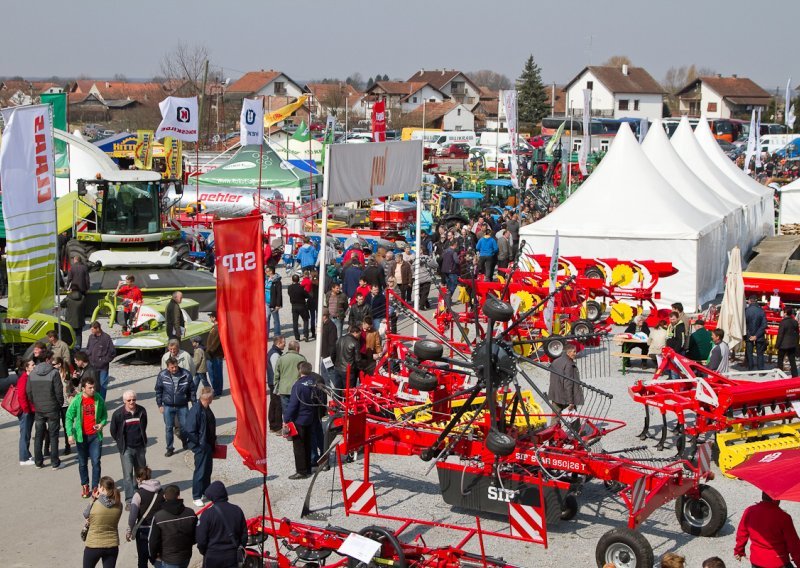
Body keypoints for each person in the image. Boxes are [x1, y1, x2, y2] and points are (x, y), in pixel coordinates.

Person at [66, 375, 107, 497]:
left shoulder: (98, 399)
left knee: (96, 462)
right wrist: (69, 435)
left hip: (95, 436)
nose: (93, 390)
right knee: (83, 463)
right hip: (81, 437)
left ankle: (95, 487)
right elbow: (68, 418)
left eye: (94, 387)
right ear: (83, 388)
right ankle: (85, 485)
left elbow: (104, 415)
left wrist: (101, 424)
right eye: (90, 388)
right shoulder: (77, 401)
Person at [735, 491, 800, 567]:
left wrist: (739, 550)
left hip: (756, 560)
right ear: (776, 499)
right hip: (778, 561)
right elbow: (793, 544)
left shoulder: (749, 511)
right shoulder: (784, 517)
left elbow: (742, 533)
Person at [285, 361, 323, 479]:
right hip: (310, 417)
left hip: (300, 419)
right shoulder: (314, 382)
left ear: (300, 371)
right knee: (308, 443)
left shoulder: (298, 385)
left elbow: (293, 404)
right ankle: (308, 468)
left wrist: (286, 419)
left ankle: (301, 471)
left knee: (299, 446)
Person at [110, 390, 148, 507]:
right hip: (126, 448)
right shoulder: (118, 414)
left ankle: (141, 495)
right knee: (127, 475)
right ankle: (129, 500)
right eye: (129, 400)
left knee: (141, 472)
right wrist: (121, 442)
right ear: (124, 401)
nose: (132, 402)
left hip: (140, 447)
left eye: (134, 400)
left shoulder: (141, 411)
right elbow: (113, 431)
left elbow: (144, 426)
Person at [196, 481, 247, 568]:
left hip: (212, 556)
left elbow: (201, 540)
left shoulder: (207, 514)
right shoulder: (237, 510)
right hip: (232, 555)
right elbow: (244, 535)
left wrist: (205, 552)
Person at [27, 350, 64, 469]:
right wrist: (59, 404)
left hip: (39, 408)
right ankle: (55, 462)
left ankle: (38, 462)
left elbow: (29, 391)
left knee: (38, 435)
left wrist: (35, 402)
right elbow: (58, 391)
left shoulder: (32, 373)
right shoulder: (54, 372)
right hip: (52, 408)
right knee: (53, 435)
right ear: (47, 359)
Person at [148, 484, 197, 568]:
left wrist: (153, 556)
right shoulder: (190, 513)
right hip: (186, 556)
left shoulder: (158, 517)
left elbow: (152, 541)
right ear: (178, 496)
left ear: (164, 496)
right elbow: (196, 535)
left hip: (168, 559)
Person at [155, 357, 195, 457]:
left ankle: (185, 441)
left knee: (185, 426)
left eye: (176, 367)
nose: (174, 369)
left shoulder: (186, 374)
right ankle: (169, 448)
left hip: (182, 405)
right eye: (172, 367)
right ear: (168, 367)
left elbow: (192, 391)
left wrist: (194, 405)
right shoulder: (162, 375)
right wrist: (159, 404)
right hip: (168, 406)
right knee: (168, 428)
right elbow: (158, 390)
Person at [125, 466, 163, 568]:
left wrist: (129, 531)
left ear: (138, 478)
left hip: (143, 532)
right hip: (158, 529)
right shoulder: (161, 491)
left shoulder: (138, 495)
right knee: (157, 558)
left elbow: (132, 516)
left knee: (142, 561)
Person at [82, 476, 123, 568]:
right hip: (112, 545)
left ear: (102, 488)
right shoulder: (119, 505)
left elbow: (86, 514)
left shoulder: (96, 504)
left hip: (93, 545)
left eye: (99, 487)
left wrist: (93, 499)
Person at [185, 387, 216, 507]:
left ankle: (205, 491)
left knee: (207, 470)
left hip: (207, 444)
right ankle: (196, 496)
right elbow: (190, 430)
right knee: (200, 471)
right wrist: (199, 444)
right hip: (201, 446)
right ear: (208, 398)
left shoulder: (206, 408)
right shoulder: (196, 410)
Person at [273, 339, 306, 422]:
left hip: (284, 389)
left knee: (286, 412)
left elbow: (276, 375)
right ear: (297, 348)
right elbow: (305, 375)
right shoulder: (301, 358)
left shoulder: (281, 359)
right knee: (297, 411)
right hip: (297, 390)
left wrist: (276, 387)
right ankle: (297, 429)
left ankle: (289, 429)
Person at [547, 345, 583, 421]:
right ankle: (576, 432)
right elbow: (568, 383)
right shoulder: (569, 364)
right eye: (574, 352)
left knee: (555, 417)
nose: (575, 354)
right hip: (565, 396)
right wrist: (570, 401)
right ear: (569, 352)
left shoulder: (556, 361)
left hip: (555, 394)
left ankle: (553, 431)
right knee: (573, 416)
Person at [84, 321, 116, 399]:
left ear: (97, 328)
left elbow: (112, 352)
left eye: (92, 329)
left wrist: (104, 361)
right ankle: (94, 400)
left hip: (103, 367)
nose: (91, 331)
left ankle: (101, 401)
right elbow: (88, 348)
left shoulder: (106, 337)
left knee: (103, 385)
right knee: (93, 384)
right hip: (92, 366)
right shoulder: (91, 337)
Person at [53, 355, 78, 455]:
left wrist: (74, 392)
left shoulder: (66, 374)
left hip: (65, 403)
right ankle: (48, 448)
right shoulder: (52, 374)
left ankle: (68, 446)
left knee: (66, 424)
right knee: (54, 426)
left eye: (54, 364)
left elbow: (73, 386)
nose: (52, 366)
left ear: (59, 364)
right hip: (55, 403)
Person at [16, 358, 35, 466]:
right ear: (27, 367)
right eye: (32, 365)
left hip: (28, 410)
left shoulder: (28, 377)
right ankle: (23, 458)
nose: (34, 366)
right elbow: (22, 396)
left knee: (26, 433)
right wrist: (26, 410)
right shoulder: (24, 378)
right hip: (26, 411)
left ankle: (26, 454)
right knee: (25, 434)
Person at [334, 326, 361, 392]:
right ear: (355, 333)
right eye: (359, 334)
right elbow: (357, 359)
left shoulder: (340, 339)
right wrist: (360, 369)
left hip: (338, 368)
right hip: (348, 371)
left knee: (338, 390)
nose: (359, 336)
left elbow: (333, 354)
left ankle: (338, 402)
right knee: (348, 392)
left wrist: (335, 364)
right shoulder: (355, 342)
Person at [744, 296, 768, 371]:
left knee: (749, 353)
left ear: (750, 301)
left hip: (749, 335)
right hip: (759, 336)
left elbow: (744, 325)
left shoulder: (746, 311)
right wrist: (756, 335)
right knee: (760, 354)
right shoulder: (761, 311)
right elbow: (764, 325)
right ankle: (760, 369)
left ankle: (750, 369)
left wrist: (750, 335)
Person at [267, 336, 285, 433]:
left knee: (273, 403)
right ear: (278, 343)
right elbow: (276, 370)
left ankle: (273, 425)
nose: (285, 344)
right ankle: (277, 427)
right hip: (275, 383)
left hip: (272, 381)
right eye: (283, 342)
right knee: (278, 404)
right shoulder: (275, 354)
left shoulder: (273, 352)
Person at [205, 312, 224, 399]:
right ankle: (217, 389)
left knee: (216, 373)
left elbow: (215, 343)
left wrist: (209, 352)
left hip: (215, 355)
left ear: (214, 318)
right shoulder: (215, 328)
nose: (210, 318)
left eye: (211, 317)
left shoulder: (217, 328)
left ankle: (217, 390)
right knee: (214, 373)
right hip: (213, 354)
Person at [776, 307, 799, 377]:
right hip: (792, 344)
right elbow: (797, 333)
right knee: (792, 361)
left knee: (780, 360)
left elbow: (780, 335)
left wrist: (777, 345)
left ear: (785, 313)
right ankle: (795, 375)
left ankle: (780, 373)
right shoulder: (794, 322)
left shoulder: (783, 322)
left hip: (783, 344)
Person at [288, 273, 312, 342]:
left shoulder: (290, 287)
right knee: (306, 320)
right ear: (299, 280)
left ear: (292, 280)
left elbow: (289, 294)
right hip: (302, 305)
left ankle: (297, 337)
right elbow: (307, 295)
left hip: (294, 306)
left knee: (295, 322)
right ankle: (305, 335)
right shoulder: (301, 287)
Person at [320, 311, 338, 386]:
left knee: (329, 371)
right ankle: (328, 386)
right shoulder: (324, 325)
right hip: (325, 353)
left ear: (325, 316)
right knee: (326, 370)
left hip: (328, 354)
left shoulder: (331, 326)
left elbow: (332, 342)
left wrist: (330, 355)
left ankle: (332, 387)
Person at [265, 265, 283, 339]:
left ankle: (277, 334)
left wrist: (278, 305)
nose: (265, 272)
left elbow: (279, 293)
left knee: (275, 319)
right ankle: (266, 334)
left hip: (274, 303)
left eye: (267, 271)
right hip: (267, 302)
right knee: (267, 318)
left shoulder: (277, 281)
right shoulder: (267, 279)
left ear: (271, 271)